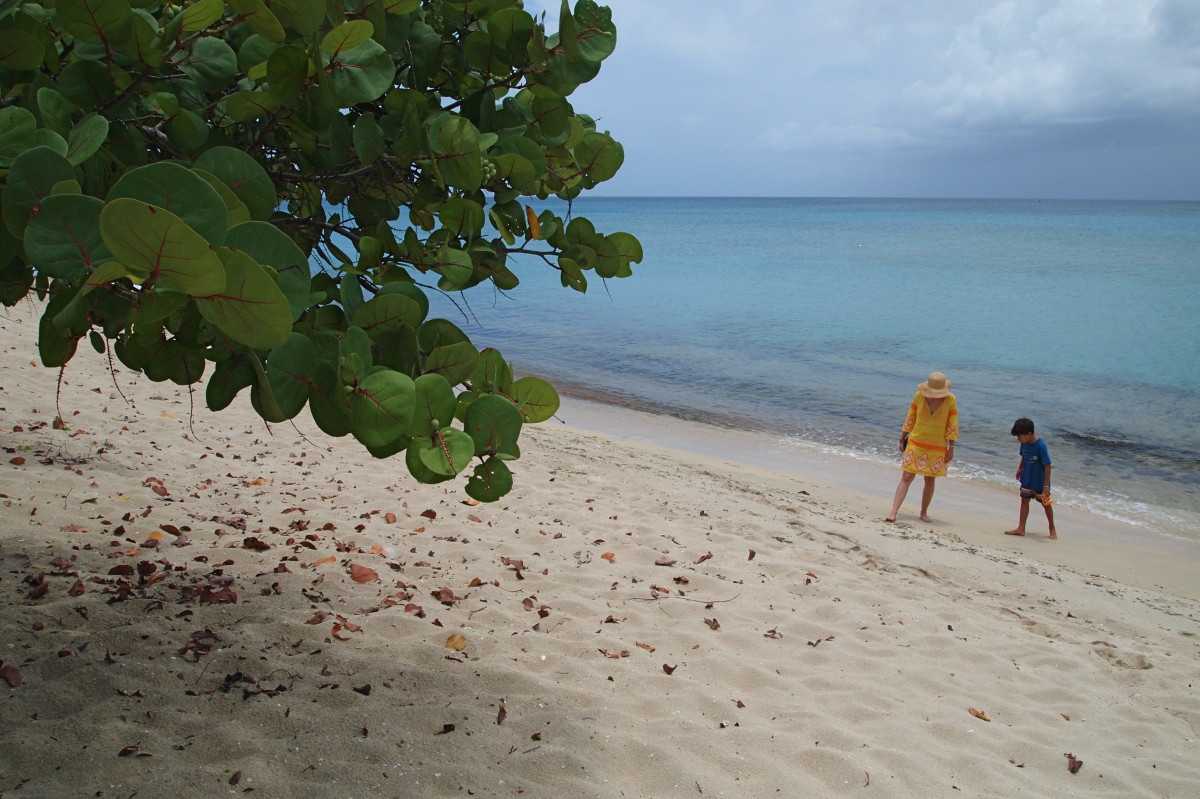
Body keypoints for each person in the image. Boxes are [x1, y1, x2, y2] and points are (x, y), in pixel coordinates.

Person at [885, 372, 959, 522]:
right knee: (906, 476)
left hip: (937, 444)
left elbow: (952, 424)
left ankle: (923, 512)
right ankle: (893, 511)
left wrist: (951, 448)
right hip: (916, 441)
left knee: (930, 479)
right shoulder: (919, 396)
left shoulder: (951, 399)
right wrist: (902, 436)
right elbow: (911, 416)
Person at [1005, 417, 1057, 539]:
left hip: (1040, 481)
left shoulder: (1040, 446)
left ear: (1029, 433)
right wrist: (1020, 468)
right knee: (1024, 501)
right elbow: (1023, 456)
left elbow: (1048, 465)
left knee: (1046, 504)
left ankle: (1052, 528)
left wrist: (1045, 485)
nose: (1018, 439)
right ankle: (1021, 528)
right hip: (1027, 478)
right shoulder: (1024, 443)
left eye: (1019, 436)